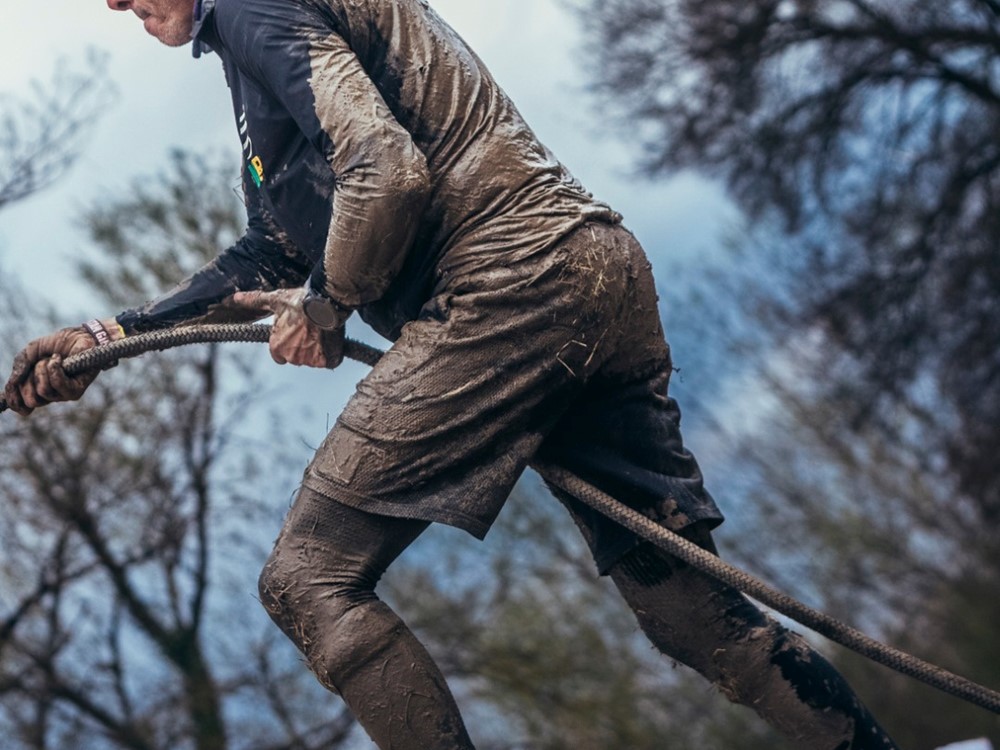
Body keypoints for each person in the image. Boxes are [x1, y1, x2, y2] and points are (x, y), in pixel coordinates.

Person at [3, 1, 899, 747]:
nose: (114, 1)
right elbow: (275, 246)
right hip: (591, 268)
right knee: (696, 620)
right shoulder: (255, 37)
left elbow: (385, 172)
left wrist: (329, 302)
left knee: (306, 578)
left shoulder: (247, 5)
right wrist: (110, 334)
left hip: (506, 287)